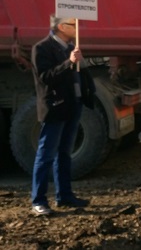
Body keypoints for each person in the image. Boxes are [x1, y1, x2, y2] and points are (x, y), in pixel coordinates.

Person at [30, 16, 96, 216]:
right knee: (46, 154)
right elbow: (46, 77)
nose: (78, 29)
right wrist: (70, 62)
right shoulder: (41, 48)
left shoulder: (70, 47)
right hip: (55, 107)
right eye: (73, 25)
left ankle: (64, 196)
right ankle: (39, 201)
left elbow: (81, 74)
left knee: (64, 153)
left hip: (72, 106)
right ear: (61, 27)